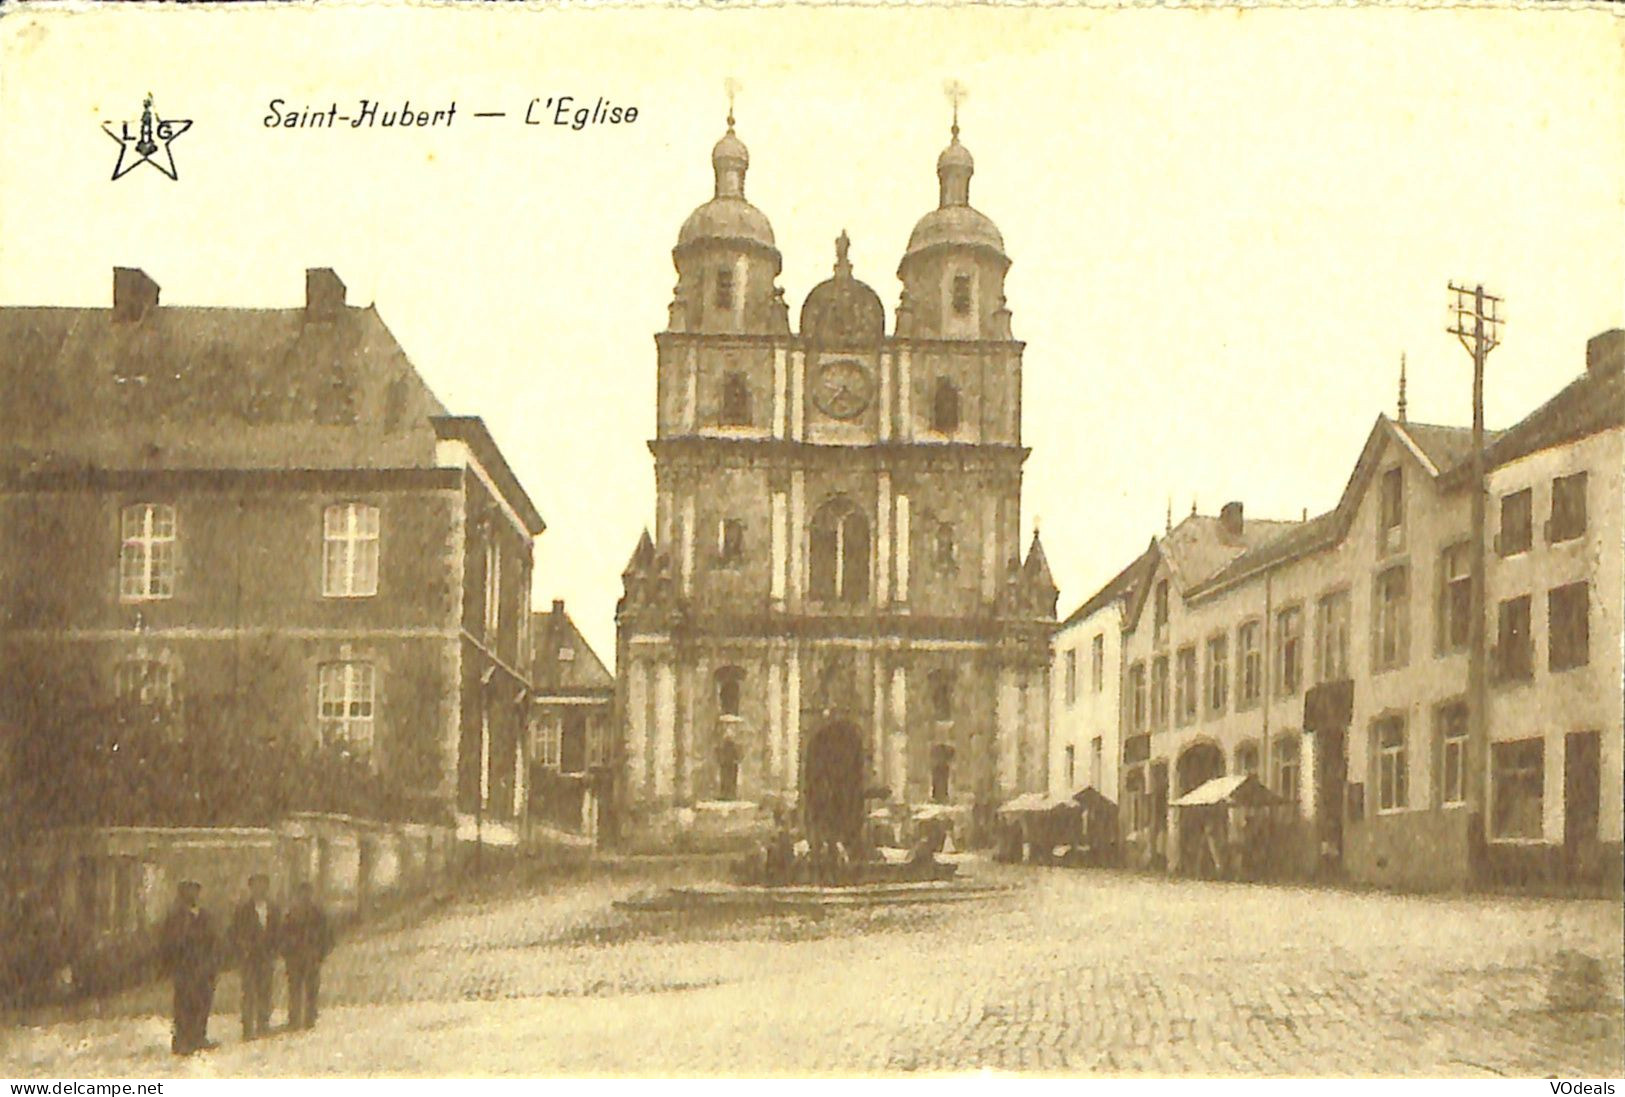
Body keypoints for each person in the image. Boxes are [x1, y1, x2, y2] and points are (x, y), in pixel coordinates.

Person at [159, 881, 219, 1055]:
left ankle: (199, 1036)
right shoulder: (176, 917)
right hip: (185, 969)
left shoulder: (205, 916)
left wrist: (212, 963)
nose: (192, 894)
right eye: (188, 890)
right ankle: (182, 1040)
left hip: (204, 968)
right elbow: (169, 943)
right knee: (184, 1004)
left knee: (203, 1002)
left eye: (195, 890)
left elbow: (213, 940)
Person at [229, 873, 281, 1040]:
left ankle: (263, 1024)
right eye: (256, 885)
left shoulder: (273, 908)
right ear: (251, 888)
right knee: (249, 991)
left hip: (266, 956)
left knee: (265, 990)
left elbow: (278, 931)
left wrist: (275, 949)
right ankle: (247, 1028)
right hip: (249, 957)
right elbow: (234, 932)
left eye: (263, 885)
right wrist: (243, 948)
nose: (260, 888)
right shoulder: (242, 910)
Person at [280, 882, 332, 1031]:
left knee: (312, 989)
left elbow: (327, 935)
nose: (305, 897)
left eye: (307, 894)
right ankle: (294, 1019)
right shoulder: (291, 914)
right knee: (294, 989)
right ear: (298, 895)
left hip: (312, 957)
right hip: (294, 958)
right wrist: (287, 953)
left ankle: (310, 1018)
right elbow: (283, 935)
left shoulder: (318, 914)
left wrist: (321, 953)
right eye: (302, 894)